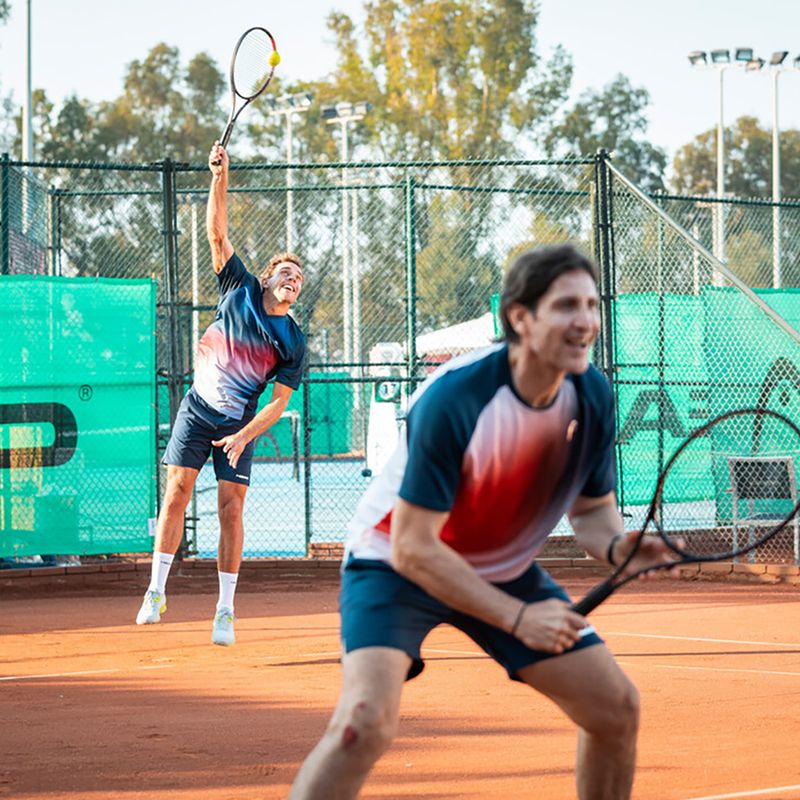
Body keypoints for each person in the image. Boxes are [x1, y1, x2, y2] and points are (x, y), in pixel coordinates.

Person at [290, 244, 675, 800]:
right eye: (568, 305)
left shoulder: (592, 394)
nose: (587, 321)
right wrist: (519, 618)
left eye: (592, 305)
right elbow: (414, 548)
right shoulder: (455, 397)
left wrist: (620, 547)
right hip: (395, 566)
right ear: (521, 317)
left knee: (615, 709)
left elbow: (592, 515)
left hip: (502, 568)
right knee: (362, 726)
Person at [136, 141, 306, 646]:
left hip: (239, 424)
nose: (292, 280)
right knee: (175, 495)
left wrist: (242, 436)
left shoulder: (293, 341)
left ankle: (226, 611)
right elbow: (216, 231)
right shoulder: (239, 285)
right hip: (196, 409)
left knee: (231, 509)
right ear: (270, 274)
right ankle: (156, 591)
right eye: (286, 272)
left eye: (299, 279)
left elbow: (278, 403)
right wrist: (219, 175)